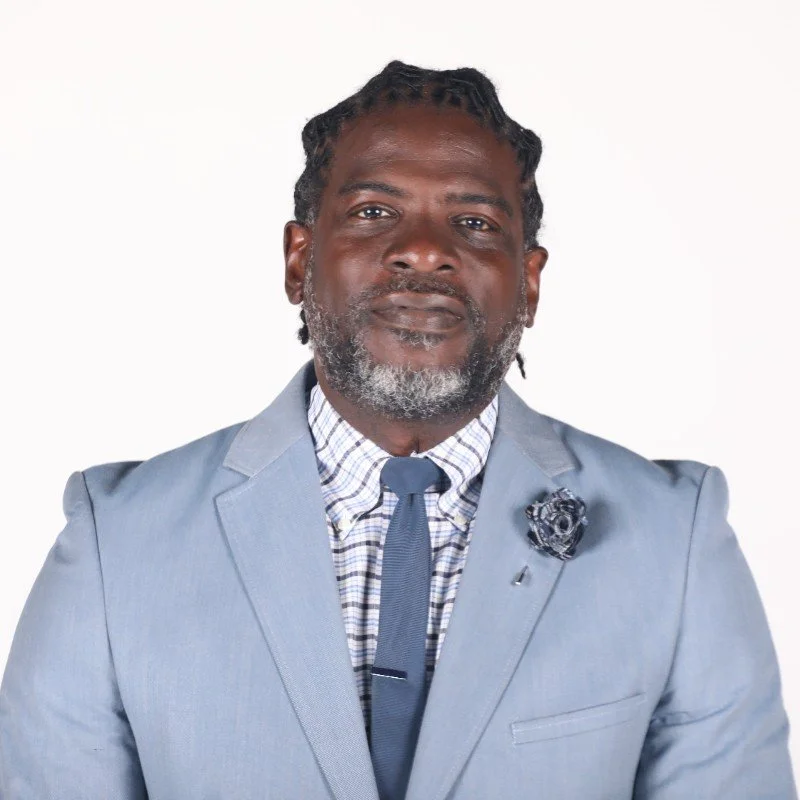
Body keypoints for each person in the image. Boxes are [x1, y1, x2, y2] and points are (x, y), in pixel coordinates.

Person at [0, 60, 795, 800]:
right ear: (298, 260)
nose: (423, 250)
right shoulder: (117, 543)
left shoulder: (674, 540)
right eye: (374, 212)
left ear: (530, 280)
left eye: (476, 222)